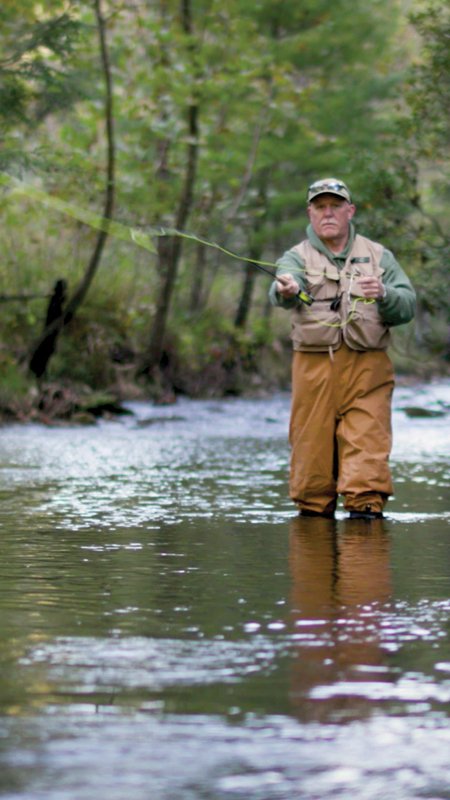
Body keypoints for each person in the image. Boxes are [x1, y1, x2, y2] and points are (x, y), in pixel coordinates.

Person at [270, 178, 416, 520]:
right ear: (310, 213)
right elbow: (282, 285)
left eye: (335, 206)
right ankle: (315, 548)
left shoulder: (379, 256)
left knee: (367, 472)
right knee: (311, 474)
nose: (328, 213)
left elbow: (407, 305)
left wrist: (384, 293)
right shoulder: (295, 257)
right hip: (313, 371)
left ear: (350, 211)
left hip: (368, 371)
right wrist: (288, 289)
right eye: (320, 207)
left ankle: (364, 546)